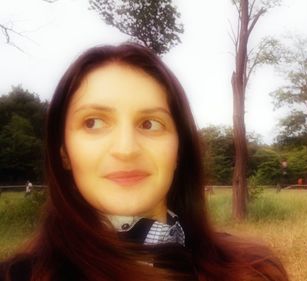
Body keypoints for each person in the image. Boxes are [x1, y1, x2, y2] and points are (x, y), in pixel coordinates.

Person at [0, 43, 288, 281]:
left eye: (150, 124)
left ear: (178, 150)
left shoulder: (255, 271)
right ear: (63, 152)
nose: (126, 149)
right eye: (94, 122)